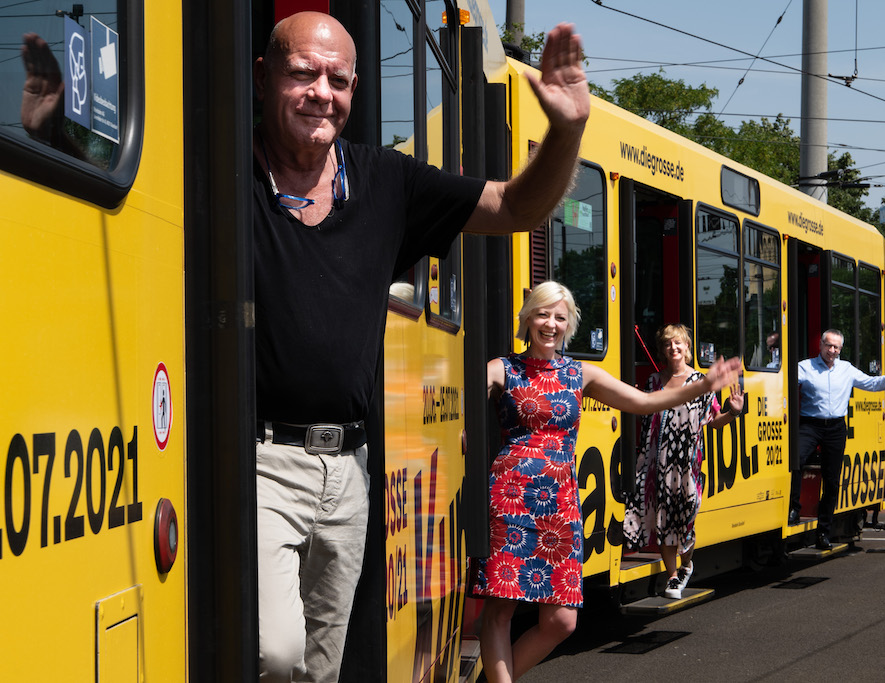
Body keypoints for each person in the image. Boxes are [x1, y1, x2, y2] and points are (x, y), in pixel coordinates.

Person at [252, 12, 590, 683]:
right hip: (262, 459)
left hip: (348, 469)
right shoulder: (224, 168)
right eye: (303, 73)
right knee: (275, 651)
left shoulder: (385, 181)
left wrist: (566, 130)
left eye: (339, 79)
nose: (323, 92)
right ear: (263, 79)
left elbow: (517, 207)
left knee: (320, 666)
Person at [474, 283, 742, 682]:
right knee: (500, 611)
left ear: (569, 325)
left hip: (560, 503)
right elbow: (453, 390)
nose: (550, 324)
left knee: (561, 621)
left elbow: (646, 403)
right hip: (509, 496)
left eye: (560, 317)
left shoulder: (581, 373)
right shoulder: (502, 368)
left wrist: (703, 385)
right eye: (543, 314)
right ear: (528, 318)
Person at [622, 324, 744, 599]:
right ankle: (673, 577)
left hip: (687, 465)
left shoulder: (700, 381)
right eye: (668, 344)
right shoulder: (654, 381)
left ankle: (686, 562)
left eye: (678, 344)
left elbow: (712, 422)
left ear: (687, 349)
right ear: (662, 350)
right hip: (656, 462)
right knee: (663, 519)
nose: (673, 348)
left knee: (686, 520)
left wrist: (733, 413)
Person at [791, 329, 885, 550]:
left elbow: (875, 384)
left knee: (832, 481)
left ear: (840, 349)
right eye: (828, 346)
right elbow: (784, 383)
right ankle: (794, 510)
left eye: (836, 347)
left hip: (835, 427)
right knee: (795, 460)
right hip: (810, 424)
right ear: (821, 345)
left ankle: (823, 533)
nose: (832, 350)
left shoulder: (846, 370)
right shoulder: (805, 367)